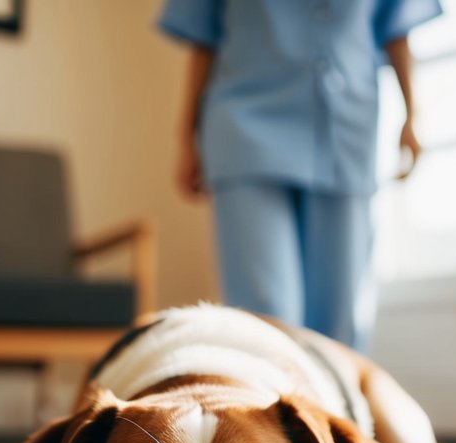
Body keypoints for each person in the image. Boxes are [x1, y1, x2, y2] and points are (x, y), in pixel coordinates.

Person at [159, 0, 441, 352]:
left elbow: (396, 28)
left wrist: (413, 113)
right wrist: (186, 137)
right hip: (245, 126)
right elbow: (204, 39)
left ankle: (333, 407)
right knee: (265, 316)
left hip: (347, 128)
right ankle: (266, 404)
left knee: (340, 322)